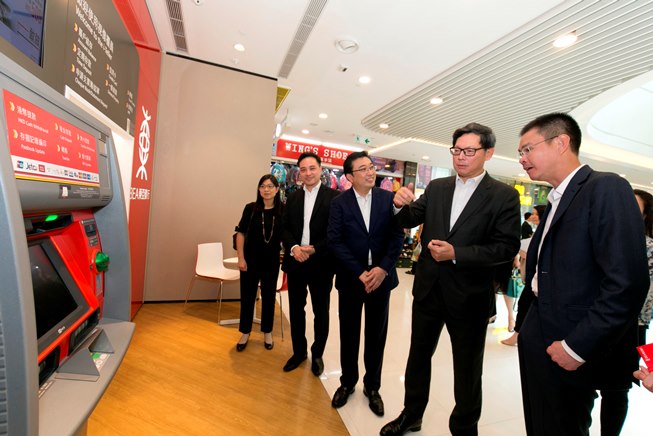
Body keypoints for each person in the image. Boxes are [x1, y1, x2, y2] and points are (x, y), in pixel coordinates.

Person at [381, 123, 521, 436]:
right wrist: (397, 203)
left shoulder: (504, 196)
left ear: (488, 153)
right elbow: (407, 219)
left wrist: (456, 252)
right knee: (418, 358)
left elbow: (506, 247)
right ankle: (411, 415)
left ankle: (464, 427)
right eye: (456, 150)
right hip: (429, 290)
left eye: (469, 151)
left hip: (470, 296)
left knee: (467, 369)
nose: (461, 157)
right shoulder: (438, 188)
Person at [515, 112, 648, 435]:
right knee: (540, 422)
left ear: (561, 142)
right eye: (520, 153)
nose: (522, 160)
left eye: (527, 149)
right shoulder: (556, 198)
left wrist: (577, 347)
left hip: (571, 340)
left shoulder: (606, 188)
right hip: (538, 331)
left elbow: (626, 282)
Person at [327, 151, 404, 416]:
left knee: (376, 334)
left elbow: (397, 238)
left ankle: (373, 387)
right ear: (349, 177)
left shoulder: (388, 199)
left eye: (371, 167)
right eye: (363, 169)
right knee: (349, 332)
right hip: (351, 279)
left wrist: (382, 269)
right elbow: (335, 241)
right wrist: (360, 272)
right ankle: (347, 383)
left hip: (381, 279)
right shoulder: (339, 203)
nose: (370, 172)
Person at [599, 189, 653, 433]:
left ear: (644, 215)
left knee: (616, 388)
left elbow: (645, 293)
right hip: (594, 322)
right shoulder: (601, 237)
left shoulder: (648, 246)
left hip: (629, 326)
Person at [281, 152, 339, 375]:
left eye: (312, 168)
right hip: (296, 261)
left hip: (321, 263)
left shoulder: (334, 197)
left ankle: (317, 354)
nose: (308, 173)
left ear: (320, 169)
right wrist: (295, 248)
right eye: (303, 169)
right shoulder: (293, 198)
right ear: (299, 172)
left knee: (320, 312)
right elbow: (284, 228)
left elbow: (335, 233)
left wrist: (315, 249)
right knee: (296, 310)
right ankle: (298, 352)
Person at [234, 174, 284, 351]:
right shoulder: (250, 209)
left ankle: (267, 332)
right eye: (263, 186)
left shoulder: (283, 210)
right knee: (247, 296)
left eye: (270, 186)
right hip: (250, 260)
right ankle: (245, 331)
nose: (266, 189)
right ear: (259, 189)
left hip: (271, 262)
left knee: (269, 298)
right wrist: (241, 257)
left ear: (277, 189)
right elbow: (240, 233)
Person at [501, 204, 546, 346]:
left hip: (538, 277)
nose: (532, 216)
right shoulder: (538, 230)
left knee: (525, 304)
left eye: (535, 214)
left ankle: (517, 335)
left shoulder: (544, 231)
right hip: (533, 275)